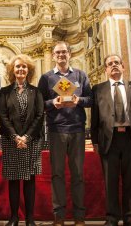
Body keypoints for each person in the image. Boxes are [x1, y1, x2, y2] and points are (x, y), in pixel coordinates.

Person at [37, 41, 92, 226]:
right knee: (57, 175)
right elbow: (39, 104)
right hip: (56, 130)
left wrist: (78, 100)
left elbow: (90, 99)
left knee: (78, 175)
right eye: (57, 52)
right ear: (53, 55)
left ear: (70, 54)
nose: (61, 55)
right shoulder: (46, 78)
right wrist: (54, 103)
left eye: (64, 52)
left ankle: (79, 217)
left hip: (77, 129)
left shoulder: (80, 75)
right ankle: (58, 216)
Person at [91, 54, 131, 226]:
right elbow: (94, 118)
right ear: (105, 70)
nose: (113, 66)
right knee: (110, 181)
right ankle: (112, 218)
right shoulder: (98, 89)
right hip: (109, 139)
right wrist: (95, 141)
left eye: (116, 63)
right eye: (109, 64)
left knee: (130, 180)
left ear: (123, 67)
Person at [0, 54, 44, 226]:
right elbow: (3, 116)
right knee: (13, 179)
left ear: (28, 70)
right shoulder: (4, 92)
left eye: (24, 67)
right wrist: (15, 136)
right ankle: (14, 217)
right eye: (17, 66)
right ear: (12, 70)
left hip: (31, 141)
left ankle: (30, 218)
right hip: (11, 141)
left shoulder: (36, 91)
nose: (21, 69)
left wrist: (26, 136)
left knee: (29, 179)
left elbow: (40, 116)